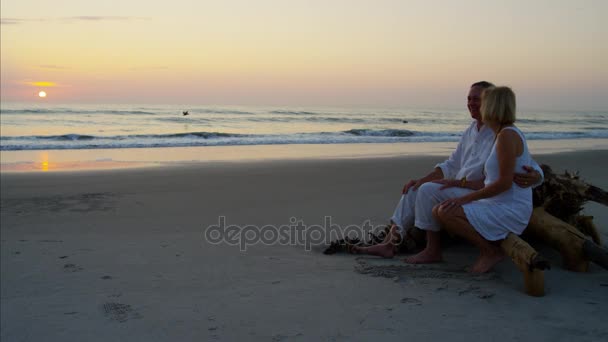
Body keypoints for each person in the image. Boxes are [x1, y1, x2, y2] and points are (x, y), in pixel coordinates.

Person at [352, 81, 543, 259]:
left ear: (489, 102)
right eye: (469, 98)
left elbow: (525, 163)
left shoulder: (498, 132)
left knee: (428, 190)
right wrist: (423, 179)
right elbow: (451, 165)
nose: (471, 103)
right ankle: (389, 244)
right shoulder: (471, 130)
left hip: (478, 192)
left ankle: (432, 249)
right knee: (416, 188)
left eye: (477, 99)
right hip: (462, 187)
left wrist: (537, 175)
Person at [434, 86, 533, 273]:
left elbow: (504, 184)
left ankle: (491, 252)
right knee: (439, 209)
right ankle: (488, 248)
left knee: (446, 211)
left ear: (492, 106)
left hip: (509, 208)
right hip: (495, 203)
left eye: (483, 102)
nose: (478, 107)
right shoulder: (502, 133)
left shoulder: (507, 136)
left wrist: (463, 198)